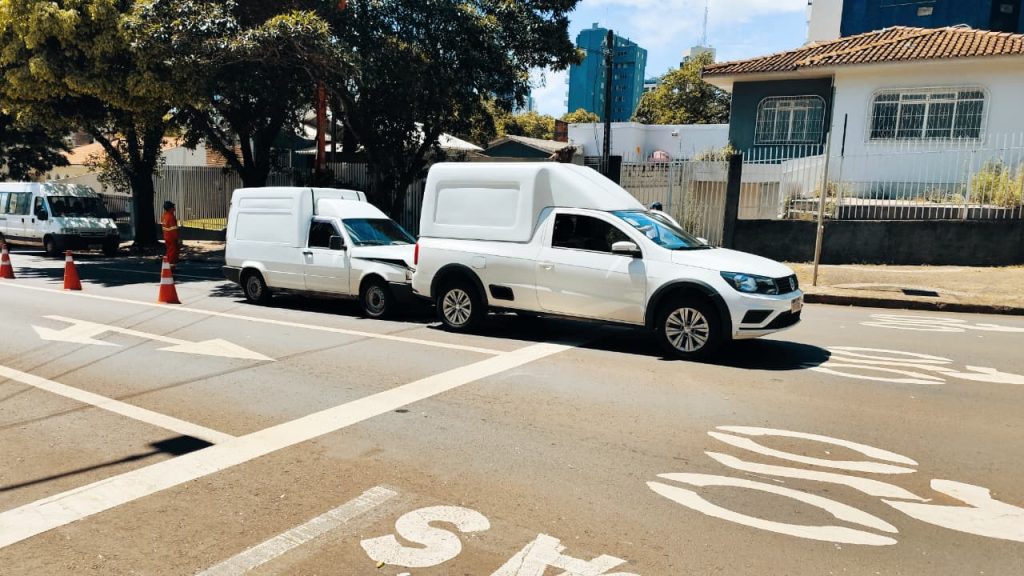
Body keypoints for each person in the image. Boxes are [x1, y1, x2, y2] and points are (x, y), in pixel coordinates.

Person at [161, 200, 181, 269]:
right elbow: (174, 230)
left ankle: (169, 265)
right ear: (170, 208)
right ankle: (171, 267)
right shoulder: (171, 217)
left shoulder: (164, 216)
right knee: (173, 252)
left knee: (169, 251)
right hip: (172, 238)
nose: (174, 208)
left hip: (166, 236)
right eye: (173, 207)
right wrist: (178, 238)